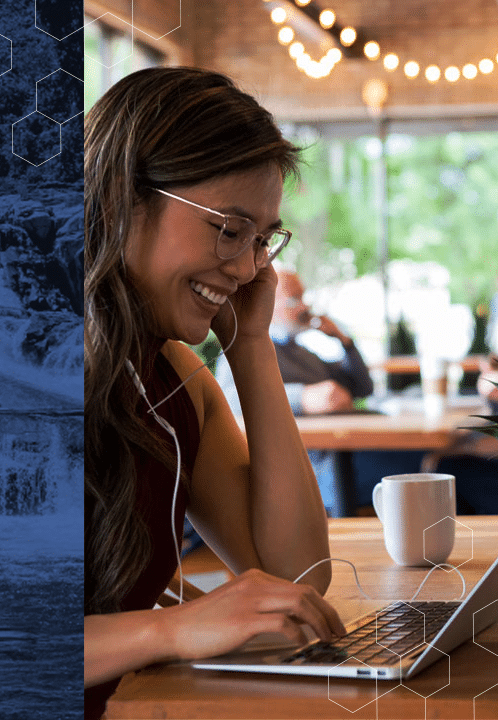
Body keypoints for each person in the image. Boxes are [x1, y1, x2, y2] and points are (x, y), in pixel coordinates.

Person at [84, 67, 345, 720]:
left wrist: (251, 348)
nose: (252, 266)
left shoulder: (174, 374)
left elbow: (300, 575)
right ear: (123, 200)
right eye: (229, 229)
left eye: (262, 240)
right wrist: (171, 627)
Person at [217, 266, 374, 514]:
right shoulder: (245, 348)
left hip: (345, 455)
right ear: (265, 304)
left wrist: (346, 343)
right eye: (293, 299)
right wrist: (302, 398)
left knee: (443, 466)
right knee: (436, 469)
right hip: (316, 470)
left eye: (303, 298)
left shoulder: (305, 353)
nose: (303, 307)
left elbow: (363, 388)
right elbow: (229, 398)